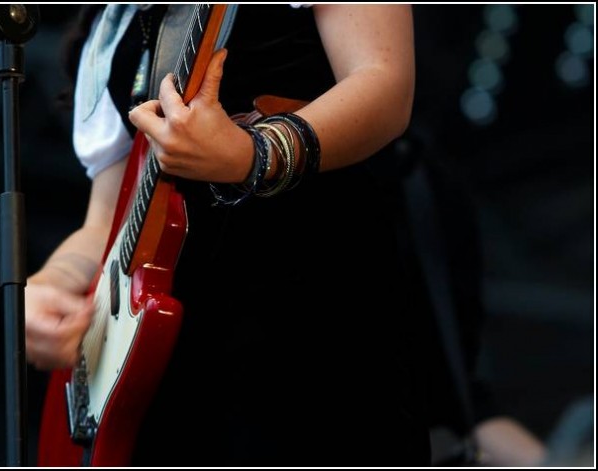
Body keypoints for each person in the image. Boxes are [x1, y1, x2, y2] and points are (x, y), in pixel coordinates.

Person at [25, 4, 423, 466]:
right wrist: (51, 283)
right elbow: (107, 220)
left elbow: (383, 80)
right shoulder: (112, 27)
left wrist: (252, 153)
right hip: (161, 383)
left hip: (311, 336)